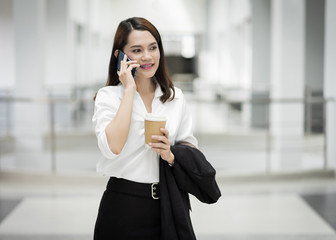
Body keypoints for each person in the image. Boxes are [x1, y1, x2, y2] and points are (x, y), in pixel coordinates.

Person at [92, 17, 198, 240]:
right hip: (123, 205)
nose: (147, 56)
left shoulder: (175, 97)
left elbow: (190, 148)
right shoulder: (109, 97)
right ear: (119, 55)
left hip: (169, 204)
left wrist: (171, 154)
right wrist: (129, 89)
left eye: (153, 47)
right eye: (137, 50)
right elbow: (112, 147)